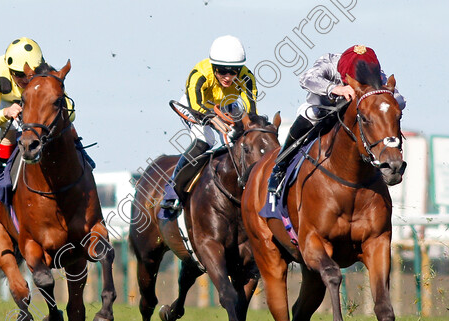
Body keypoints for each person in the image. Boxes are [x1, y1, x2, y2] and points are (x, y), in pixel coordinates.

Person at [266, 44, 407, 194]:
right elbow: (306, 78)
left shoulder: (378, 74)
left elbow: (399, 100)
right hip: (323, 107)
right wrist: (337, 89)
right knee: (309, 115)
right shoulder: (330, 62)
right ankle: (280, 166)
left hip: (357, 114)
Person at [160, 35, 259, 212]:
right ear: (213, 67)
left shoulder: (247, 77)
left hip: (226, 103)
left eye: (233, 71)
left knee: (240, 141)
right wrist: (212, 119)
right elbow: (196, 104)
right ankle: (173, 189)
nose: (228, 77)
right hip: (196, 106)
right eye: (222, 71)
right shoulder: (199, 74)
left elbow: (251, 111)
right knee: (205, 142)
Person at [0, 37, 76, 170]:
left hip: (33, 102)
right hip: (7, 102)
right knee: (11, 126)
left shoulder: (47, 72)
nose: (26, 79)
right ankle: (2, 170)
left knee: (60, 117)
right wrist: (6, 112)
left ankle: (80, 153)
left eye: (31, 74)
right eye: (20, 74)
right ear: (10, 71)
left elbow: (71, 114)